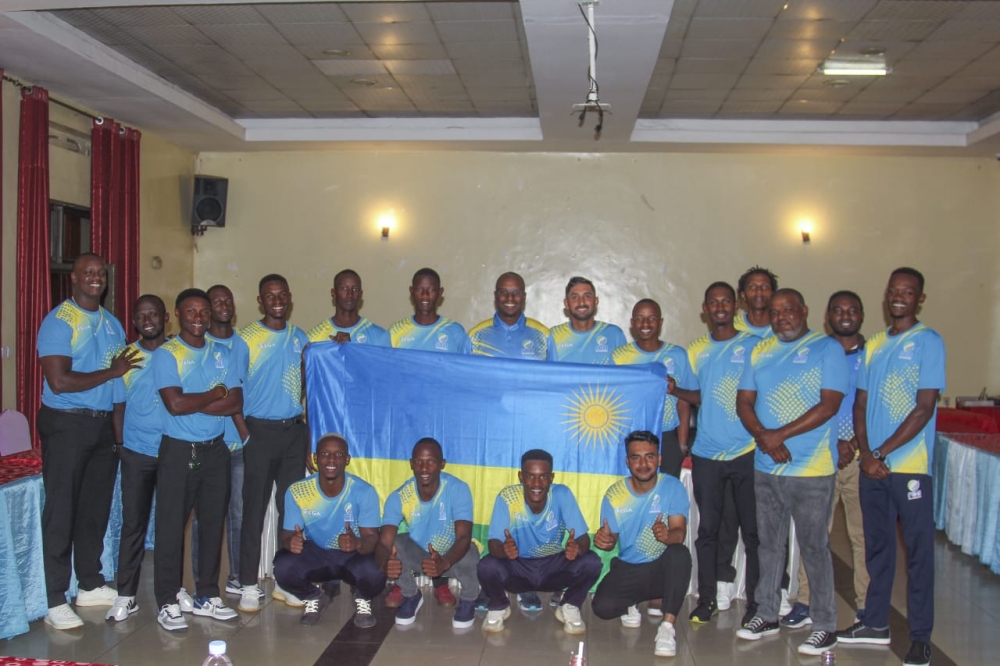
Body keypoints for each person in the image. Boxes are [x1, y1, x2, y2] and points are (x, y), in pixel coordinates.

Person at [836, 268, 945, 666]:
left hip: (909, 468)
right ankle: (875, 623)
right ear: (887, 296)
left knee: (917, 555)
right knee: (878, 549)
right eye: (894, 291)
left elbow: (924, 408)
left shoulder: (929, 342)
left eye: (908, 292)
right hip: (873, 468)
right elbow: (859, 405)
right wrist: (867, 455)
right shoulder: (876, 344)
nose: (899, 297)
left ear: (919, 298)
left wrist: (879, 454)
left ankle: (919, 638)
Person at [734, 288, 848, 656]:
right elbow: (744, 402)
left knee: (814, 547)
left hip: (811, 470)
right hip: (766, 468)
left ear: (804, 310)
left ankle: (825, 623)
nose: (782, 316)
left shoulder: (827, 348)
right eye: (776, 311)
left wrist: (777, 435)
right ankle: (766, 612)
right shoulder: (760, 350)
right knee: (768, 545)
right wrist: (764, 438)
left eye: (789, 310)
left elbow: (830, 404)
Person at [36, 253, 139, 630]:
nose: (95, 278)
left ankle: (90, 584)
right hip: (66, 424)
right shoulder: (58, 322)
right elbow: (59, 380)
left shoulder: (112, 324)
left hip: (100, 427)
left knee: (94, 510)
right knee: (61, 511)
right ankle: (54, 599)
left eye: (100, 274)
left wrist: (119, 438)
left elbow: (118, 388)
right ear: (74, 279)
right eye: (87, 273)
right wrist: (111, 371)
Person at [152, 288, 243, 631]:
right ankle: (167, 600)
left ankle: (207, 594)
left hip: (215, 450)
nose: (199, 317)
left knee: (211, 524)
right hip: (178, 451)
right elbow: (174, 405)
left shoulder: (223, 353)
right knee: (171, 527)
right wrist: (214, 394)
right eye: (191, 311)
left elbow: (234, 402)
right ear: (178, 313)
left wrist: (199, 400)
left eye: (204, 311)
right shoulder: (167, 354)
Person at [673, 282, 760, 626]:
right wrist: (675, 389)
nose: (720, 306)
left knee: (752, 533)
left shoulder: (754, 346)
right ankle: (706, 598)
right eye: (714, 302)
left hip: (747, 451)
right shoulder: (696, 349)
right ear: (705, 309)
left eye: (726, 301)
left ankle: (757, 603)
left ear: (735, 305)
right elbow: (697, 395)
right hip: (707, 454)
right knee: (707, 530)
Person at [783, 291, 868, 629]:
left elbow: (877, 408)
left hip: (862, 460)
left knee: (863, 537)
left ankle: (866, 607)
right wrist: (834, 444)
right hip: (820, 457)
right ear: (826, 315)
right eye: (837, 310)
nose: (845, 315)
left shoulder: (874, 354)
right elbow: (805, 404)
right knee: (813, 535)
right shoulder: (816, 353)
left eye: (852, 309)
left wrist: (855, 443)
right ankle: (806, 601)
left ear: (862, 314)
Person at [108, 295, 187, 622]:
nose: (148, 319)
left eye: (153, 314)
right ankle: (126, 594)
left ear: (165, 317)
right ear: (135, 321)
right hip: (137, 453)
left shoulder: (178, 354)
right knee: (133, 525)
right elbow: (118, 406)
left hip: (173, 451)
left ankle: (175, 589)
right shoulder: (125, 358)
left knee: (173, 527)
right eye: (141, 315)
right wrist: (121, 445)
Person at [237, 275, 310, 612]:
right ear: (260, 300)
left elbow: (308, 385)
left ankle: (286, 579)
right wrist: (245, 432)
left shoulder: (300, 338)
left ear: (290, 298)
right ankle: (248, 583)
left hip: (293, 433)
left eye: (282, 294)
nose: (277, 300)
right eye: (270, 295)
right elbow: (233, 391)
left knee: (290, 510)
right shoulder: (246, 338)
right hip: (259, 433)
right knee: (253, 510)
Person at [477, 449, 601, 634]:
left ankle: (569, 606)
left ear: (551, 478)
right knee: (486, 565)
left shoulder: (562, 495)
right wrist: (504, 551)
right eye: (530, 476)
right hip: (518, 567)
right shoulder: (508, 497)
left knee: (592, 562)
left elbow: (583, 539)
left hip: (553, 567)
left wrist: (578, 549)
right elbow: (494, 542)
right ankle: (499, 606)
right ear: (521, 476)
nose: (536, 483)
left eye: (543, 477)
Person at [591, 431, 692, 658]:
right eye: (636, 457)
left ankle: (667, 628)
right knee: (602, 609)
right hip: (629, 566)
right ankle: (632, 602)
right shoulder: (615, 494)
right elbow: (611, 540)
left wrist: (667, 535)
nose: (643, 464)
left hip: (661, 565)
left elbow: (679, 533)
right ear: (627, 462)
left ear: (659, 459)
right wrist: (604, 541)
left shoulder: (672, 487)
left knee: (680, 554)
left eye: (649, 456)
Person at [273, 434, 386, 627]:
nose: (331, 460)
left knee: (377, 569)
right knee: (283, 566)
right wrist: (290, 542)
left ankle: (362, 598)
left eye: (338, 454)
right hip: (317, 553)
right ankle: (314, 596)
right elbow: (287, 533)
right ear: (315, 458)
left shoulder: (363, 491)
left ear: (347, 459)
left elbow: (372, 538)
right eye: (325, 454)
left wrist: (357, 543)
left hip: (352, 557)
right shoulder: (298, 490)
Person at [376, 438, 480, 628]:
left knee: (471, 553)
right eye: (419, 462)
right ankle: (411, 595)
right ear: (411, 464)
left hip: (451, 558)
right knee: (393, 546)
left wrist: (445, 562)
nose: (424, 468)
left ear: (442, 464)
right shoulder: (399, 496)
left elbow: (464, 537)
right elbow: (384, 542)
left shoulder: (457, 489)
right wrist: (384, 563)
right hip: (421, 557)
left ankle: (468, 600)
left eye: (431, 461)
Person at [190, 285, 251, 600]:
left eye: (228, 300)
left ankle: (237, 576)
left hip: (237, 449)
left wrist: (244, 434)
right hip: (203, 446)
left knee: (238, 514)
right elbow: (196, 401)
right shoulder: (198, 345)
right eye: (217, 302)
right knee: (205, 516)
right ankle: (202, 579)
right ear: (208, 309)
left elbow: (236, 397)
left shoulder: (240, 345)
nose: (224, 305)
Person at [612, 299, 694, 478]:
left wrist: (681, 444)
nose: (646, 324)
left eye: (652, 318)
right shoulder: (619, 357)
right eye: (640, 318)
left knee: (665, 494)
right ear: (632, 323)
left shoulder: (678, 355)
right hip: (630, 435)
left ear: (661, 322)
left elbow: (684, 403)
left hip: (667, 436)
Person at [469, 272, 549, 360]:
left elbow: (556, 373)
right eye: (503, 292)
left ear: (524, 296)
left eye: (516, 292)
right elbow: (460, 372)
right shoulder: (474, 336)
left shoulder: (544, 336)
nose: (510, 298)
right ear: (496, 296)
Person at [547, 276, 626, 364]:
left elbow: (626, 375)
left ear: (596, 301)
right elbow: (547, 374)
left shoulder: (614, 334)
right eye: (575, 297)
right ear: (566, 303)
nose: (581, 302)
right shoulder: (553, 335)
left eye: (587, 296)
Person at [390, 268, 471, 353]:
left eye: (431, 290)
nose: (425, 295)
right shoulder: (395, 331)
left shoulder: (455, 331)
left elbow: (465, 365)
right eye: (419, 289)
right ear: (411, 291)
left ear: (440, 292)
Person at [306, 269, 390, 346]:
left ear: (360, 294)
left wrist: (350, 349)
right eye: (344, 288)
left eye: (355, 289)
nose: (350, 294)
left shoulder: (379, 336)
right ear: (333, 293)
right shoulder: (314, 338)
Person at [735, 266, 778, 339]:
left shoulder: (782, 326)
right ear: (743, 295)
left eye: (765, 287)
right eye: (752, 287)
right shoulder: (732, 327)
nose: (759, 291)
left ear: (773, 294)